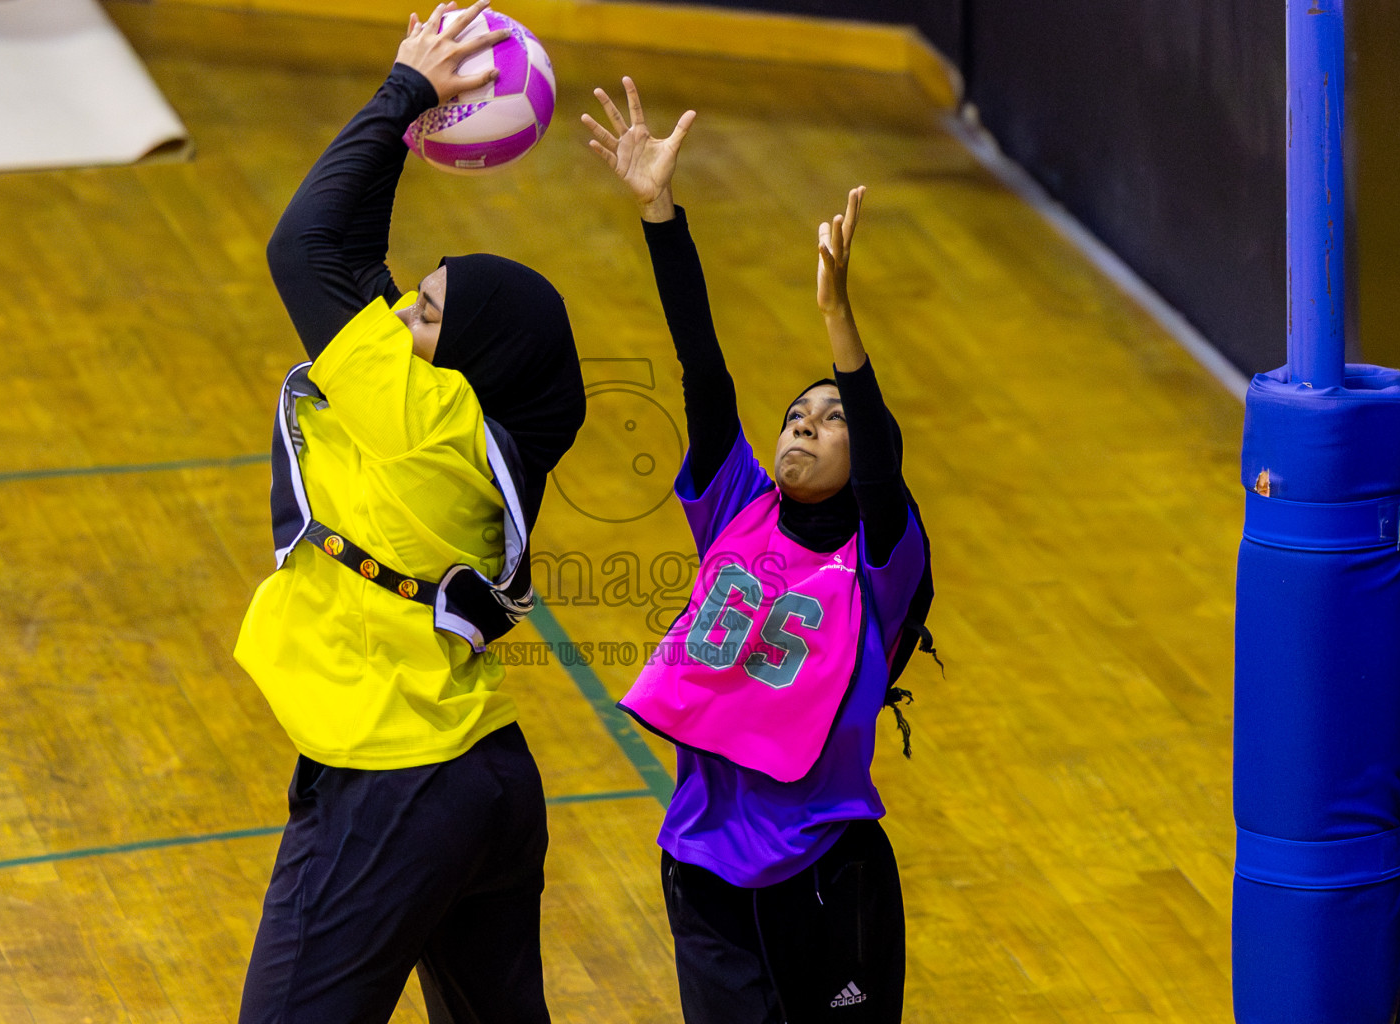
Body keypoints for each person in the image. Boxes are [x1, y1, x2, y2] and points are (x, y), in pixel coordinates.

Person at [233, 5, 585, 1021]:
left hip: (392, 790)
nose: (395, 310)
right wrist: (401, 126)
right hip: (485, 778)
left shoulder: (425, 420)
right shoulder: (476, 431)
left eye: (425, 311)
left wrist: (406, 93)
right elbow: (353, 260)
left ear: (468, 358)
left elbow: (304, 248)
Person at [582, 78, 934, 1023]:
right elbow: (703, 366)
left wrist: (837, 318)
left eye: (831, 416)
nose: (805, 423)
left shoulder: (881, 560)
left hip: (824, 872)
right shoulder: (735, 505)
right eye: (796, 413)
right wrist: (659, 212)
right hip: (701, 863)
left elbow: (881, 463)